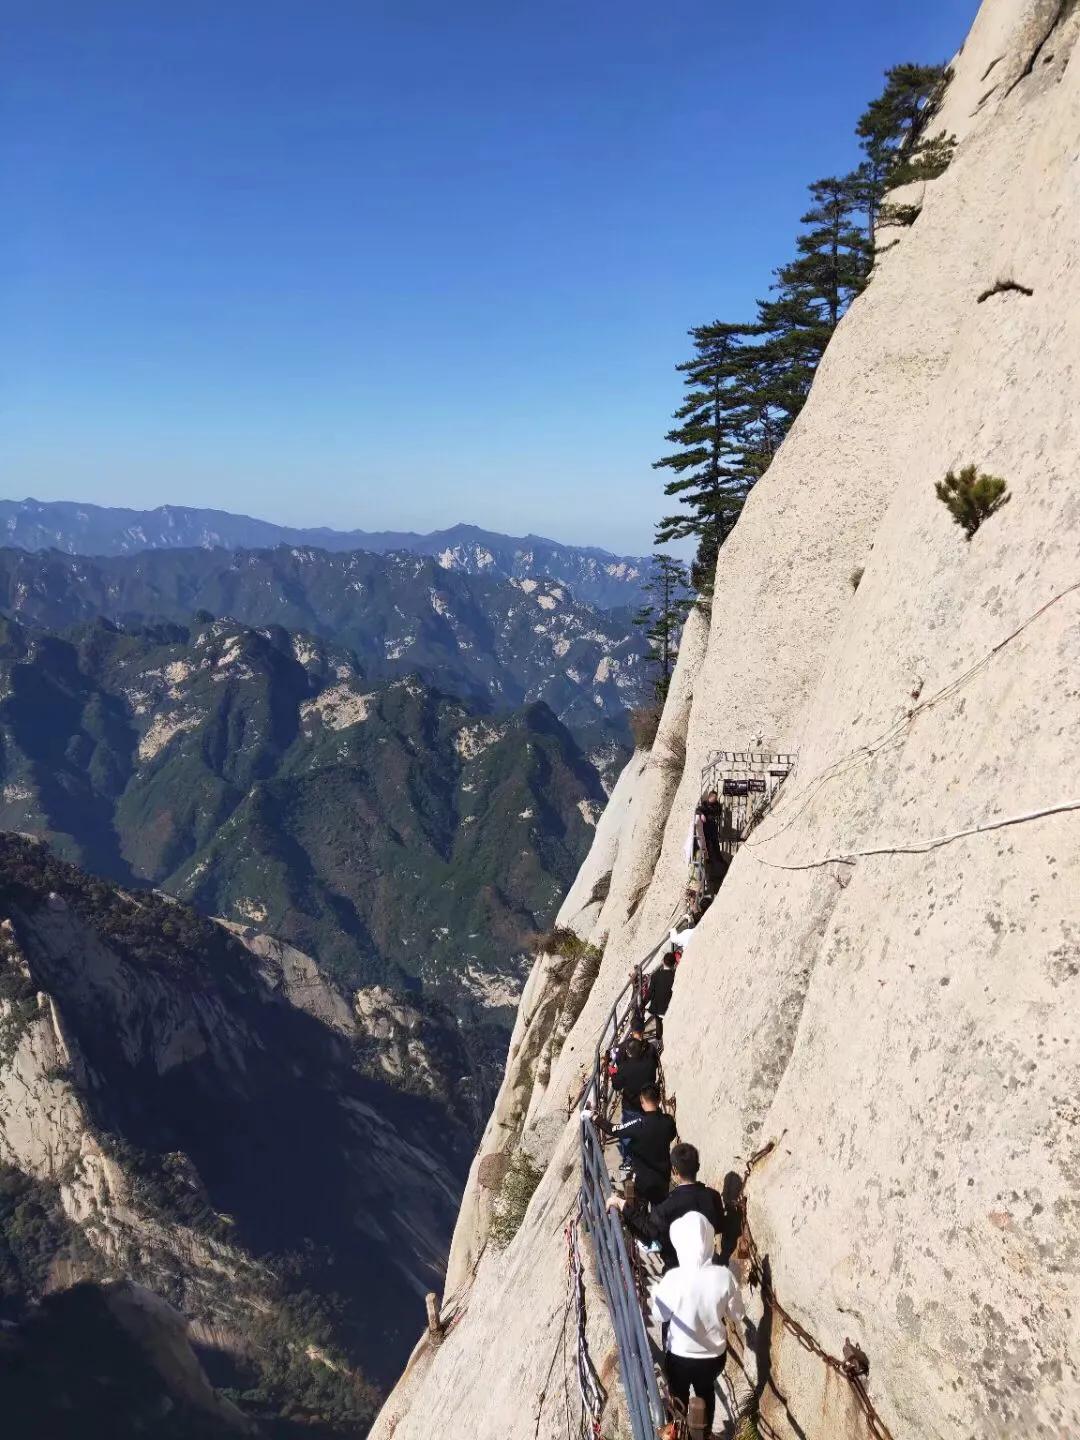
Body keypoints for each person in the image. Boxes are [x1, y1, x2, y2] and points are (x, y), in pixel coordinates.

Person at [650, 1212, 745, 1436]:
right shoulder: (724, 1276)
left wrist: (657, 1294)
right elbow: (737, 1314)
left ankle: (678, 1431)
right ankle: (703, 1433)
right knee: (705, 1391)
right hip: (713, 1356)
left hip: (680, 1355)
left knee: (678, 1396)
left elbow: (660, 1316)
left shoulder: (673, 1278)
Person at [608, 1141, 725, 1271]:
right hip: (707, 1268)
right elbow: (719, 1226)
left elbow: (648, 1232)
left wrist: (622, 1204)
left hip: (677, 1270)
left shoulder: (665, 1208)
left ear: (674, 1170)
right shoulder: (713, 1196)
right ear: (697, 1166)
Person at [596, 1085, 676, 1202]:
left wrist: (594, 1118)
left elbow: (613, 1129)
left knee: (638, 1206)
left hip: (643, 1180)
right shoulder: (668, 1121)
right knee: (660, 1209)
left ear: (642, 1103)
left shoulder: (638, 1125)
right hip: (663, 1177)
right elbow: (672, 1135)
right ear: (659, 1100)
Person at [644, 949, 678, 1042]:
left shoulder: (655, 975)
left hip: (657, 1007)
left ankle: (659, 1040)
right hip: (669, 1006)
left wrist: (643, 1004)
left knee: (658, 1024)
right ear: (674, 963)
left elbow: (650, 993)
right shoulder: (675, 976)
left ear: (663, 961)